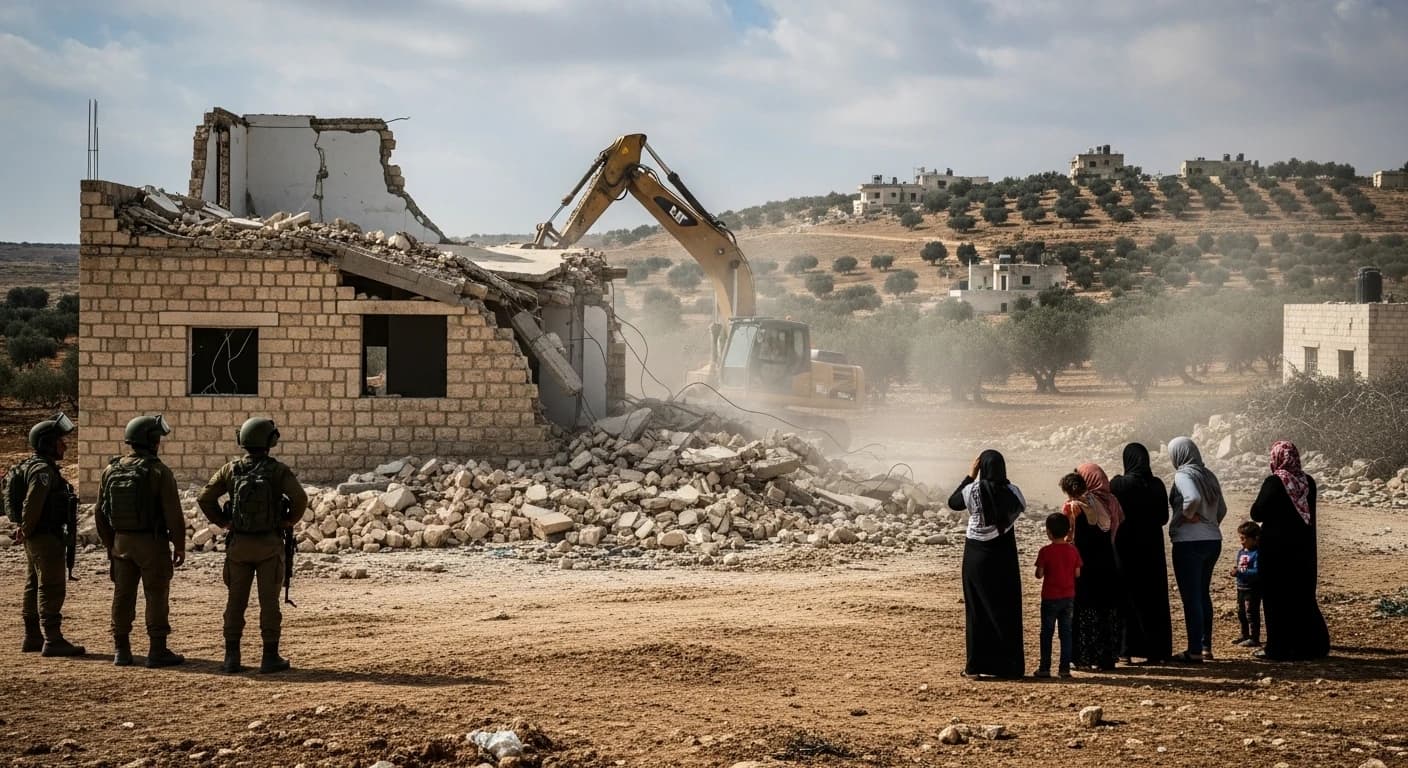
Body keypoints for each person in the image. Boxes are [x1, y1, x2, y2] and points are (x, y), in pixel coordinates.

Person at [197, 417, 307, 674]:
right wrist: (288, 520)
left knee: (236, 601)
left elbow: (205, 498)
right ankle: (270, 657)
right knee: (269, 602)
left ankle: (231, 657)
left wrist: (224, 523)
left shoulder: (230, 469)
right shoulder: (277, 470)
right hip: (269, 543)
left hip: (239, 545)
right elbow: (300, 497)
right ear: (270, 442)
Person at [96, 415, 186, 668]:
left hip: (121, 543)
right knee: (156, 594)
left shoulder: (110, 469)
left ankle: (121, 650)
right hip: (152, 544)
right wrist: (179, 545)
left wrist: (110, 544)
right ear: (152, 441)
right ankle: (157, 650)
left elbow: (100, 513)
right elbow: (173, 514)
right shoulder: (158, 471)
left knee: (123, 595)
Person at [947, 449, 1027, 679]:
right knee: (1006, 609)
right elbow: (1015, 508)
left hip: (976, 558)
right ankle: (1009, 668)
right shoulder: (1013, 493)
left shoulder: (972, 490)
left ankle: (975, 667)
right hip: (1004, 559)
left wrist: (970, 475)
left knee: (977, 611)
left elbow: (953, 502)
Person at [1250, 440, 1329, 661]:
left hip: (1277, 552)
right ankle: (1312, 646)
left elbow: (1257, 512)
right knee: (1302, 598)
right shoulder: (1308, 482)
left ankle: (1278, 648)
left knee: (1277, 600)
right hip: (1303, 552)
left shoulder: (1275, 482)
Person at [14, 413, 84, 657]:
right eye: (59, 441)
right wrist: (27, 528)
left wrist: (25, 530)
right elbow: (33, 503)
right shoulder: (43, 471)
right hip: (45, 536)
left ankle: (32, 637)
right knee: (51, 586)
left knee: (33, 584)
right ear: (47, 443)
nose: (64, 445)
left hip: (36, 535)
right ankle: (52, 640)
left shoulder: (35, 466)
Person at [1110, 442, 1173, 664]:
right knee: (1153, 597)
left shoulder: (1118, 484)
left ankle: (1124, 650)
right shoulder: (1156, 485)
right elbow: (1164, 518)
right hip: (1152, 548)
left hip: (1125, 546)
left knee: (1126, 596)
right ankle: (1157, 651)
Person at [1167, 436, 1227, 663]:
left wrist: (1181, 519)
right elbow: (1222, 508)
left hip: (1188, 542)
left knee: (1191, 597)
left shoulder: (1183, 474)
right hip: (1213, 540)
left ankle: (1193, 650)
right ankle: (1205, 647)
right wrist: (1210, 524)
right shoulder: (1208, 475)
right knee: (1203, 594)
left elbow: (1192, 498)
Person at [1067, 466, 1122, 671]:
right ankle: (1106, 657)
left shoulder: (1077, 506)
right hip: (1107, 562)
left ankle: (1083, 657)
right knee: (1105, 611)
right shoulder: (1111, 502)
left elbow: (1071, 536)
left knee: (1084, 610)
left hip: (1086, 565)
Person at [1034, 512, 1082, 679]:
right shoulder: (1073, 550)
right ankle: (1064, 668)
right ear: (1068, 531)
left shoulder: (1045, 551)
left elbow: (1039, 574)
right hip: (1068, 597)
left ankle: (1045, 667)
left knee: (1047, 633)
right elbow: (1077, 573)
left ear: (1048, 532)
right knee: (1066, 633)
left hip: (1049, 597)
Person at [1230, 520, 1262, 648]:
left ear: (1254, 539)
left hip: (1252, 588)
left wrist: (1240, 572)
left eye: (1244, 538)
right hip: (1241, 587)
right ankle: (1245, 635)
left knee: (1251, 613)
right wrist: (1236, 571)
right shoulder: (1242, 552)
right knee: (1241, 612)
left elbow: (1257, 571)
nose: (1241, 541)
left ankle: (1254, 637)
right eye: (1240, 538)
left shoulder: (1257, 554)